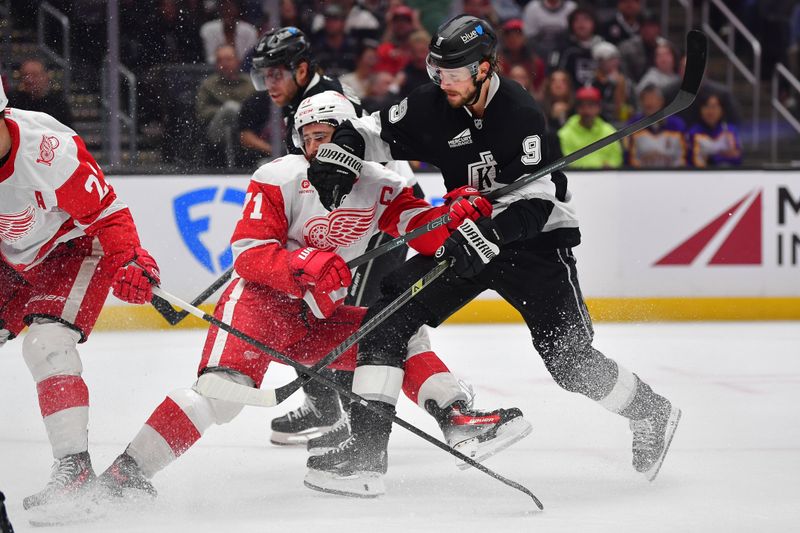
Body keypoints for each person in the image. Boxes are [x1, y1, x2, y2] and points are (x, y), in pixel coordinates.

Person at [305, 15, 680, 497]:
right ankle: (365, 455)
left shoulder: (519, 112)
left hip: (535, 245)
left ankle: (651, 411)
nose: (444, 83)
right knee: (385, 318)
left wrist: (487, 234)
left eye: (455, 74)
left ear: (485, 68)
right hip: (467, 238)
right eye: (436, 71)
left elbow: (538, 203)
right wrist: (340, 159)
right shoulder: (429, 103)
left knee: (569, 361)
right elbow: (370, 131)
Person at [95, 91, 530, 499]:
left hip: (318, 315)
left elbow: (420, 230)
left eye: (327, 136)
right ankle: (125, 473)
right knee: (221, 396)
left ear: (351, 137)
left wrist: (452, 217)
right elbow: (249, 256)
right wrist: (306, 262)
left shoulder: (381, 183)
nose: (316, 146)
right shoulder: (279, 175)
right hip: (259, 306)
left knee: (398, 335)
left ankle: (455, 417)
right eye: (309, 137)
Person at [246, 26, 431, 449]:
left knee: (343, 321)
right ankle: (326, 406)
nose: (269, 84)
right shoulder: (306, 99)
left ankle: (351, 421)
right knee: (310, 306)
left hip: (381, 216)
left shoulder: (329, 101)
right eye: (264, 75)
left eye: (276, 73)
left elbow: (357, 174)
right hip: (358, 212)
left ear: (303, 68)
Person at [0, 78, 160, 510]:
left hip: (72, 246)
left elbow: (107, 213)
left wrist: (130, 259)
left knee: (47, 343)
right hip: (10, 259)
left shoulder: (46, 151)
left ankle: (75, 470)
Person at [195, 44, 255, 167]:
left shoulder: (250, 84)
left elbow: (258, 111)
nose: (224, 63)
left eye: (228, 59)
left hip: (246, 131)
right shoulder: (208, 85)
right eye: (220, 60)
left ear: (238, 61)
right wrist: (224, 111)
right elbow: (201, 112)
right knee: (230, 108)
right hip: (216, 133)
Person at [558, 85, 623, 169]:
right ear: (577, 108)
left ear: (599, 108)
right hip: (576, 178)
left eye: (591, 105)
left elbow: (616, 158)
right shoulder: (565, 133)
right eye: (582, 106)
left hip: (605, 178)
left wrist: (610, 166)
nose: (587, 110)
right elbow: (566, 162)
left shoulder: (609, 132)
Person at [624, 85, 686, 168]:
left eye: (653, 98)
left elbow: (683, 157)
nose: (649, 103)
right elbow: (629, 158)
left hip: (672, 176)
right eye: (646, 99)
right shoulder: (633, 125)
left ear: (661, 101)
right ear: (641, 102)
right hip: (641, 177)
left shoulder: (677, 125)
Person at [7, 58, 73, 127]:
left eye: (35, 75)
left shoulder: (58, 104)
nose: (29, 80)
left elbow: (68, 133)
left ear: (45, 77)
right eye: (25, 75)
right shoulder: (13, 102)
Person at [686, 92, 742, 168]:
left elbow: (737, 158)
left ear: (721, 110)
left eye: (714, 107)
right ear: (700, 110)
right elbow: (692, 160)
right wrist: (723, 154)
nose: (711, 111)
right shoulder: (693, 132)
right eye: (707, 106)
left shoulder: (729, 131)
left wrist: (713, 157)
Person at [200, 0, 259, 64]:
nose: (228, 11)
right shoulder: (208, 29)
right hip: (214, 70)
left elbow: (249, 58)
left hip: (244, 70)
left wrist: (234, 64)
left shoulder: (250, 31)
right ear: (219, 10)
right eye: (225, 8)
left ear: (237, 10)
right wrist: (225, 62)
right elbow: (210, 58)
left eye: (231, 8)